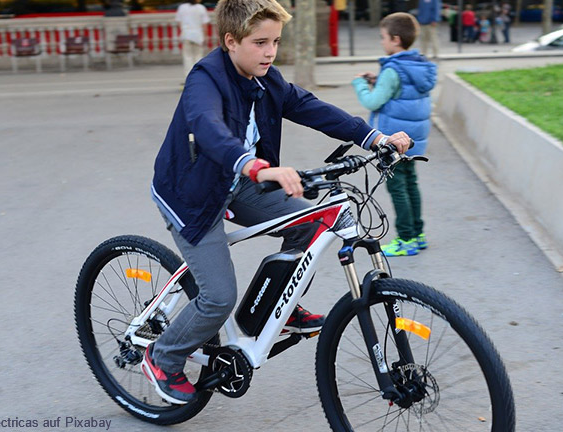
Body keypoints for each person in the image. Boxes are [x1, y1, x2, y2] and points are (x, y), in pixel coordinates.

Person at [143, 0, 414, 405]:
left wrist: (373, 137)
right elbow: (208, 127)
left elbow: (308, 106)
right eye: (260, 42)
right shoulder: (206, 79)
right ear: (231, 42)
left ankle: (276, 307)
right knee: (217, 297)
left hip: (242, 180)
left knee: (311, 222)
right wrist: (255, 167)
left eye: (276, 41)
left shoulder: (266, 78)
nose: (271, 52)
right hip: (193, 193)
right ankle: (163, 356)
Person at [352, 12, 436, 257]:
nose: (382, 42)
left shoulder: (393, 70)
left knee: (398, 188)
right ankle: (417, 234)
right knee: (411, 184)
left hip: (393, 140)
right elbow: (403, 91)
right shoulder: (418, 65)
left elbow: (373, 101)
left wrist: (359, 84)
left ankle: (406, 238)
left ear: (396, 39)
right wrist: (379, 79)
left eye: (383, 37)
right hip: (413, 138)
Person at [175, 0, 210, 77]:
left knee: (187, 57)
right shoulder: (201, 8)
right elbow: (204, 24)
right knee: (198, 56)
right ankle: (198, 76)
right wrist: (205, 36)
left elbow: (179, 22)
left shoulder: (182, 7)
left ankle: (188, 77)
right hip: (198, 35)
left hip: (186, 34)